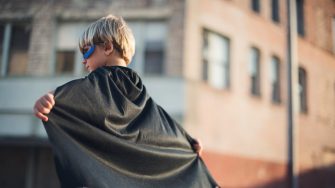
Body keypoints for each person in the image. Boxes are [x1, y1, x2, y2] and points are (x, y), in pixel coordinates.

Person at [33, 14, 218, 187]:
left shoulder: (102, 80)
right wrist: (186, 142)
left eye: (86, 51)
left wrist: (53, 98)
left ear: (107, 47)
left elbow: (79, 93)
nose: (83, 60)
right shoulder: (136, 85)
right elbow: (158, 123)